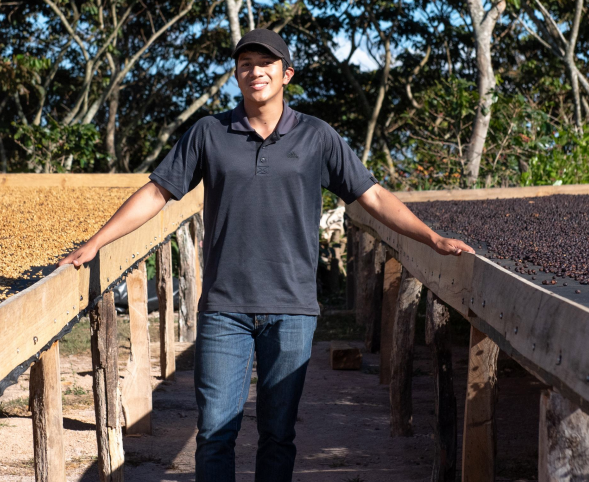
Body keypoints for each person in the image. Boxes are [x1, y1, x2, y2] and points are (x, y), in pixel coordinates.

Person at [59, 28, 474, 482]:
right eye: (245, 64)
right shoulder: (209, 133)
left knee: (278, 434)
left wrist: (431, 239)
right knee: (215, 431)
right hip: (224, 309)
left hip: (292, 308)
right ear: (237, 75)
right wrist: (97, 242)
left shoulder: (318, 137)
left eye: (265, 64)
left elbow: (371, 196)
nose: (254, 71)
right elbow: (158, 192)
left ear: (286, 74)